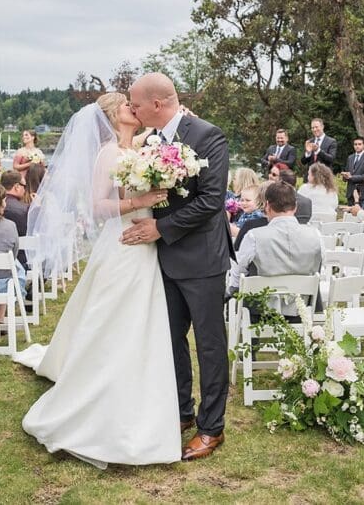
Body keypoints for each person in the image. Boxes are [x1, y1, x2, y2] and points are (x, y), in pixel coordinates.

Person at [12, 91, 182, 468]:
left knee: (141, 322)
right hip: (122, 241)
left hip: (145, 243)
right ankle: (97, 396)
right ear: (112, 116)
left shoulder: (139, 148)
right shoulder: (109, 153)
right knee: (112, 321)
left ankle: (139, 393)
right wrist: (140, 202)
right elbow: (97, 206)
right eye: (127, 106)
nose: (133, 109)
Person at [121, 74, 233, 461]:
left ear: (156, 103)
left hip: (202, 258)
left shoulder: (207, 136)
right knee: (170, 340)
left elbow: (211, 202)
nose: (132, 110)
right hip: (164, 258)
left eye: (135, 103)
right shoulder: (150, 141)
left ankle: (211, 427)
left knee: (209, 343)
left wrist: (160, 227)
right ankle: (181, 410)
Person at [227, 182, 322, 298]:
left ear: (267, 206)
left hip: (260, 308)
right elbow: (318, 268)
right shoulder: (316, 235)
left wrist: (234, 294)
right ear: (295, 206)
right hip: (302, 308)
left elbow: (239, 271)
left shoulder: (254, 237)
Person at [340, 137, 364, 203]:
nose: (357, 146)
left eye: (359, 144)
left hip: (361, 193)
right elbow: (347, 171)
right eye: (355, 144)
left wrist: (351, 177)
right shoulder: (350, 157)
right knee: (349, 213)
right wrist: (345, 176)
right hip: (350, 192)